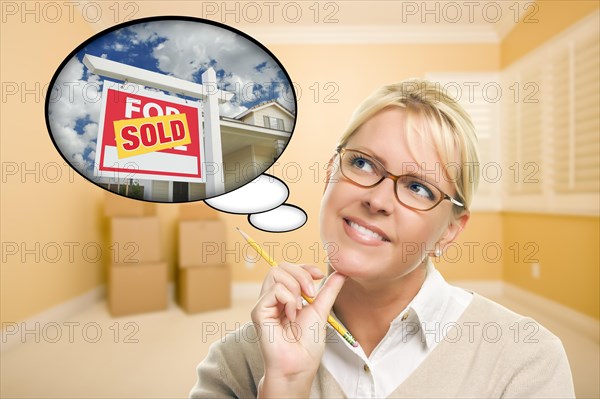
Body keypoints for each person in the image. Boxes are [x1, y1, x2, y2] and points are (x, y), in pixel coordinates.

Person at [190, 79, 575, 398]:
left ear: (451, 231)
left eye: (418, 188)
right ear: (329, 175)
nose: (376, 199)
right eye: (362, 163)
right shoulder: (238, 359)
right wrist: (285, 387)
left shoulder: (526, 359)